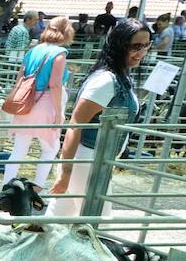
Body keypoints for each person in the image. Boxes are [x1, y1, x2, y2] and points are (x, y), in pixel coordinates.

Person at [47, 19, 148, 218]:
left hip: (94, 160)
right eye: (136, 46)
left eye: (146, 45)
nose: (142, 52)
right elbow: (75, 126)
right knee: (98, 224)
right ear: (120, 45)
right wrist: (65, 173)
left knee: (54, 223)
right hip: (88, 160)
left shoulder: (120, 76)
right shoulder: (106, 81)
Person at [3, 16, 74, 189]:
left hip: (26, 103)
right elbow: (55, 84)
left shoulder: (33, 50)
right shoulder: (59, 53)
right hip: (46, 103)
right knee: (50, 148)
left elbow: (20, 77)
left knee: (19, 149)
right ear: (66, 32)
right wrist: (59, 113)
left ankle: (6, 186)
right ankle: (37, 187)